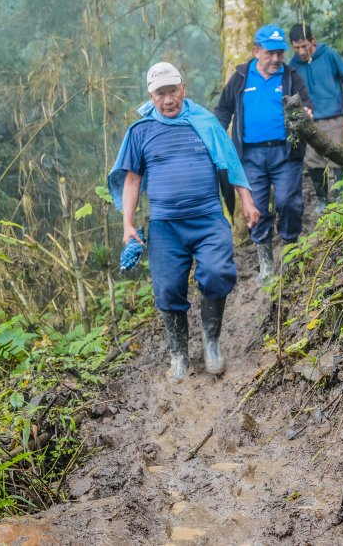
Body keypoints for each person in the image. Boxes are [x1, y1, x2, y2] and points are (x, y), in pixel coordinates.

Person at [108, 62, 261, 383]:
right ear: (151, 96)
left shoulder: (204, 122)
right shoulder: (140, 131)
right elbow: (132, 181)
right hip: (165, 226)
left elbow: (231, 161)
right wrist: (128, 225)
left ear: (183, 89)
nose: (168, 100)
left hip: (207, 218)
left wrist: (247, 200)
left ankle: (211, 342)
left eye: (172, 91)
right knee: (167, 288)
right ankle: (178, 354)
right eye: (160, 94)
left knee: (219, 272)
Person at [214, 25, 313, 285]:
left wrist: (307, 114)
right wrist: (219, 139)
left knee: (288, 202)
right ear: (256, 51)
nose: (276, 59)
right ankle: (266, 262)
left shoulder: (290, 76)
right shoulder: (240, 77)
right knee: (255, 208)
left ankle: (290, 251)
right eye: (270, 53)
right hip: (250, 156)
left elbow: (307, 104)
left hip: (285, 153)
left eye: (280, 53)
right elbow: (222, 110)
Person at [288, 23, 343, 216]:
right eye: (297, 48)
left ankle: (342, 198)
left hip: (335, 117)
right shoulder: (292, 67)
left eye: (305, 46)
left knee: (337, 156)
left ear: (313, 41)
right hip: (310, 121)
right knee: (313, 160)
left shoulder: (329, 55)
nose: (302, 51)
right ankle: (323, 200)